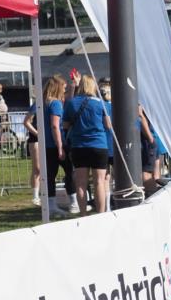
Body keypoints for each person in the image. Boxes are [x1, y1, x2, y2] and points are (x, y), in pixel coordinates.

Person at [63, 74, 113, 214]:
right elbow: (108, 125)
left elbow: (65, 125)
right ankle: (101, 213)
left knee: (81, 182)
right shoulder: (99, 103)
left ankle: (83, 214)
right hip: (99, 144)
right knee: (99, 182)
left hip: (79, 146)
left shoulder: (72, 103)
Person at [42, 74, 74, 217]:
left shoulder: (43, 103)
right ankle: (74, 202)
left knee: (50, 175)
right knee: (70, 171)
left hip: (47, 144)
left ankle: (51, 205)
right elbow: (55, 126)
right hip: (56, 144)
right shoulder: (55, 104)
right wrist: (60, 146)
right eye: (64, 88)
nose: (64, 91)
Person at [23, 102, 41, 206]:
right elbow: (26, 122)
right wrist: (38, 134)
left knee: (44, 169)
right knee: (37, 168)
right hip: (35, 140)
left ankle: (43, 194)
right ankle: (35, 196)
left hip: (46, 141)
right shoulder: (36, 104)